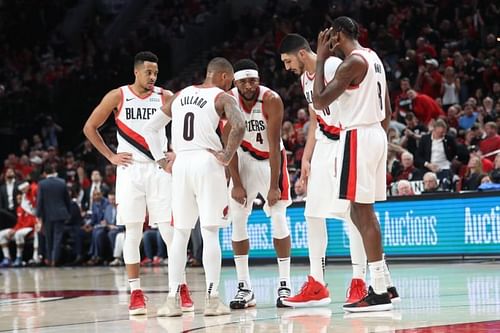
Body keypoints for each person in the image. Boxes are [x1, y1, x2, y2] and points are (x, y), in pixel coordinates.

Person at [83, 51, 193, 315]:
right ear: (136, 72)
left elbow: (186, 123)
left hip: (159, 170)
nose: (153, 77)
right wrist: (110, 155)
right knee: (132, 233)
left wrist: (176, 150)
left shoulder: (165, 96)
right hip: (130, 171)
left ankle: (181, 286)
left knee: (169, 232)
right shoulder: (118, 96)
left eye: (155, 72)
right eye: (148, 72)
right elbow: (90, 127)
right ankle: (135, 293)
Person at [143, 57, 245, 317]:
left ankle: (171, 301)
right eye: (230, 81)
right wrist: (227, 155)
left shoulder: (180, 95)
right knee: (210, 232)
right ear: (223, 77)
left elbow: (151, 128)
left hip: (181, 163)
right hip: (207, 162)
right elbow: (240, 125)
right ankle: (212, 300)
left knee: (180, 234)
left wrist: (159, 159)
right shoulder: (222, 98)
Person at [279, 33, 373, 307]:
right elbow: (315, 117)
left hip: (345, 140)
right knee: (312, 214)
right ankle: (317, 283)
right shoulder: (304, 79)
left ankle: (359, 281)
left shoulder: (332, 66)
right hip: (323, 143)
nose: (287, 68)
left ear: (301, 53)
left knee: (352, 214)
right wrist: (307, 158)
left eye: (287, 61)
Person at [311, 16, 396, 312]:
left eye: (329, 37)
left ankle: (380, 291)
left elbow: (319, 100)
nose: (327, 42)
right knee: (358, 210)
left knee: (362, 209)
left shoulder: (351, 63)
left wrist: (321, 59)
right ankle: (386, 282)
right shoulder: (373, 58)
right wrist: (378, 136)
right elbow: (388, 103)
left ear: (337, 35)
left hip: (358, 134)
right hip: (374, 133)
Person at [222, 59, 292, 309]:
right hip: (241, 158)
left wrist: (274, 186)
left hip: (270, 160)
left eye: (253, 80)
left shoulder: (271, 99)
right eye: (243, 81)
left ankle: (285, 284)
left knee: (278, 217)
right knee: (238, 220)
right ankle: (244, 287)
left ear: (258, 80)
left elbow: (274, 146)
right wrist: (237, 183)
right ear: (235, 82)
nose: (249, 85)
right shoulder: (227, 100)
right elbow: (227, 146)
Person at [36, 164, 72, 267]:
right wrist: (68, 213)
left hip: (47, 215)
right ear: (53, 171)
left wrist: (38, 216)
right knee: (57, 238)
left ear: (44, 173)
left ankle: (49, 258)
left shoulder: (42, 184)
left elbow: (40, 201)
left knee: (48, 238)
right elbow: (67, 200)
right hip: (61, 214)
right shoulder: (62, 182)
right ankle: (54, 260)